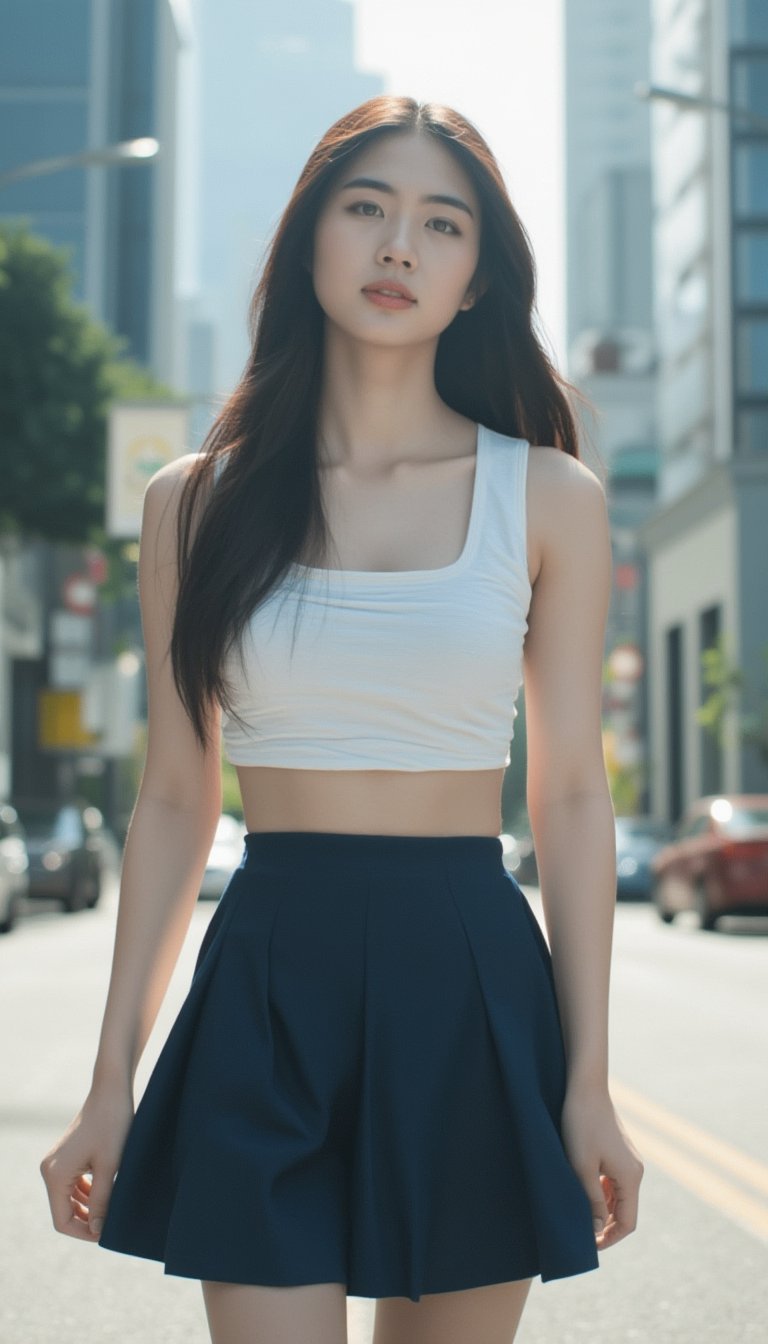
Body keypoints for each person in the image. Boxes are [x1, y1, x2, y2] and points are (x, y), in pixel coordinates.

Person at [40, 95, 643, 1344]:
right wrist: (112, 1083)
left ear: (479, 277)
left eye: (442, 224)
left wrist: (587, 1084)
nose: (398, 249)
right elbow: (173, 796)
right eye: (365, 209)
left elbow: (574, 797)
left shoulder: (550, 498)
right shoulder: (192, 504)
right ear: (309, 237)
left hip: (471, 979)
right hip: (269, 977)